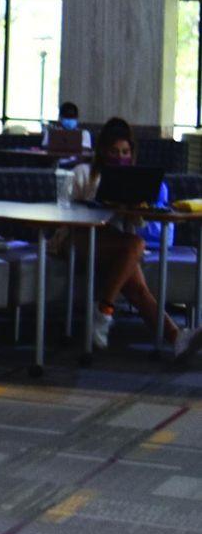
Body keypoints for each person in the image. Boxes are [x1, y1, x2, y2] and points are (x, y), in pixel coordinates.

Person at [69, 116, 199, 358]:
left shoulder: (132, 178)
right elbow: (69, 213)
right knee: (135, 246)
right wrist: (101, 200)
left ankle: (176, 337)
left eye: (125, 151)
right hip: (80, 239)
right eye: (114, 151)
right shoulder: (82, 173)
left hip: (118, 244)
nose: (120, 157)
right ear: (102, 152)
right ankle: (104, 312)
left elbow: (136, 223)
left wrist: (135, 206)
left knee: (137, 285)